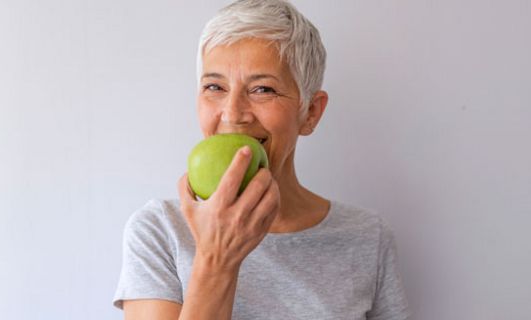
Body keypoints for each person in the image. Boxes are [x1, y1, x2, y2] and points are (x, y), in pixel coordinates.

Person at [113, 0, 410, 319]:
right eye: (214, 86)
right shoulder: (160, 230)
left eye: (263, 89)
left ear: (311, 112)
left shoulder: (367, 237)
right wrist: (217, 260)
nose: (232, 114)